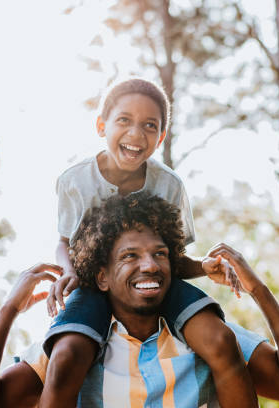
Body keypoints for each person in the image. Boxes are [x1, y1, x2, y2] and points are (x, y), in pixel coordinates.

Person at [0, 192, 279, 407]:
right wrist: (7, 312)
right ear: (101, 276)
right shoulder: (73, 346)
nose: (149, 265)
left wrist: (258, 291)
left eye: (160, 254)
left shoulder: (208, 338)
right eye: (130, 256)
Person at [44, 78, 252, 407]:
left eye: (149, 125)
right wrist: (68, 271)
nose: (136, 134)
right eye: (124, 120)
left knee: (221, 340)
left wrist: (203, 267)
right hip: (94, 283)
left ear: (161, 137)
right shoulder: (75, 180)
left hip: (155, 286)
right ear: (101, 126)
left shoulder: (169, 186)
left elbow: (174, 258)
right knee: (66, 356)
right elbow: (64, 241)